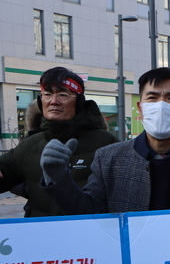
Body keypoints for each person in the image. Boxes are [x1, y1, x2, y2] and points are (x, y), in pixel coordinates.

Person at [40, 67, 170, 214]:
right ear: (140, 108)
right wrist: (58, 178)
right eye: (152, 97)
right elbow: (88, 211)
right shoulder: (108, 158)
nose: (161, 105)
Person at [0, 67, 116, 217]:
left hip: (87, 229)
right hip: (40, 230)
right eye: (47, 94)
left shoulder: (107, 144)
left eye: (63, 94)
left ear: (79, 101)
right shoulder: (31, 144)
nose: (54, 101)